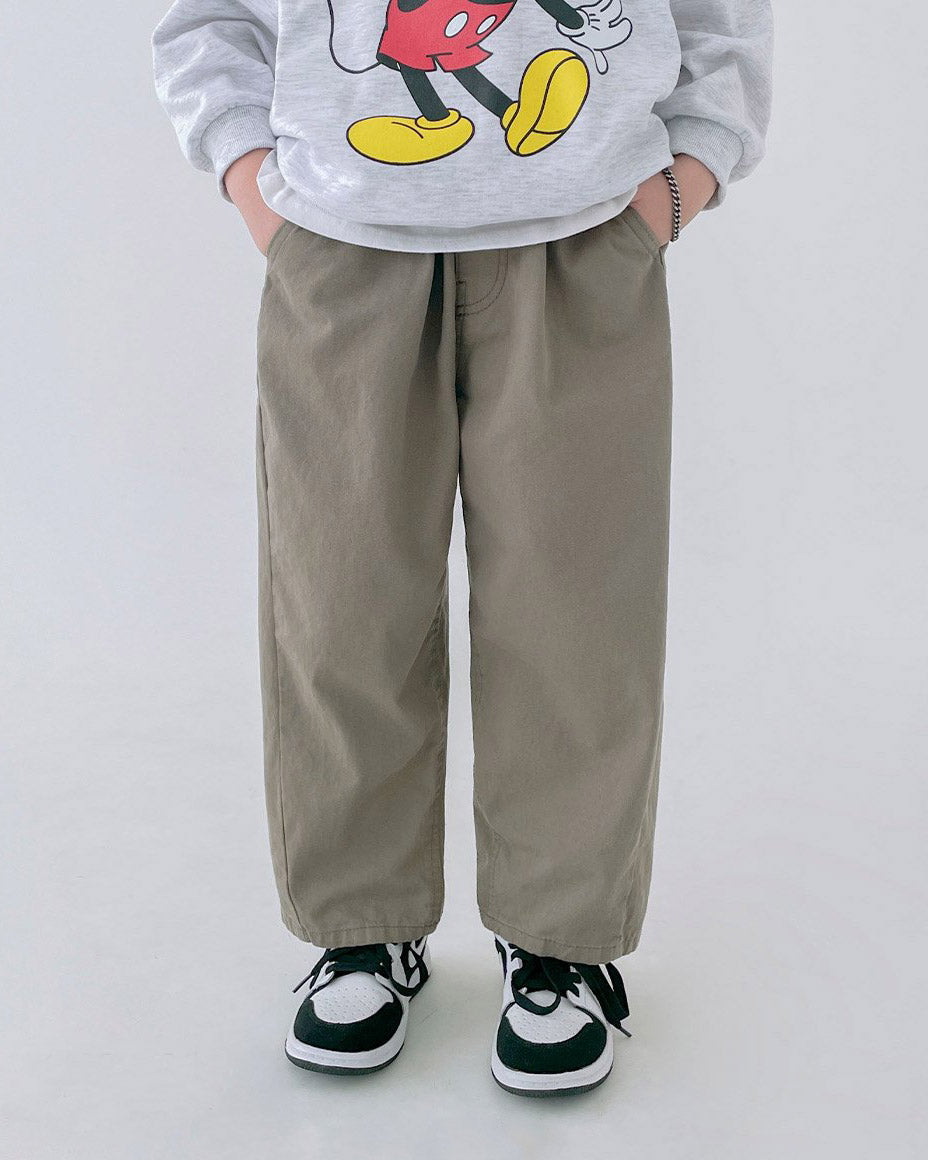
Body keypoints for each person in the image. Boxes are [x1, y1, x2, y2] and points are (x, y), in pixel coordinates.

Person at [152, 0, 773, 1097]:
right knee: (339, 607)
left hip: (584, 240)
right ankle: (362, 924)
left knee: (577, 619)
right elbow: (208, 20)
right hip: (341, 249)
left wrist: (674, 190)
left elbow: (718, 20)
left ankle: (560, 939)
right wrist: (256, 187)